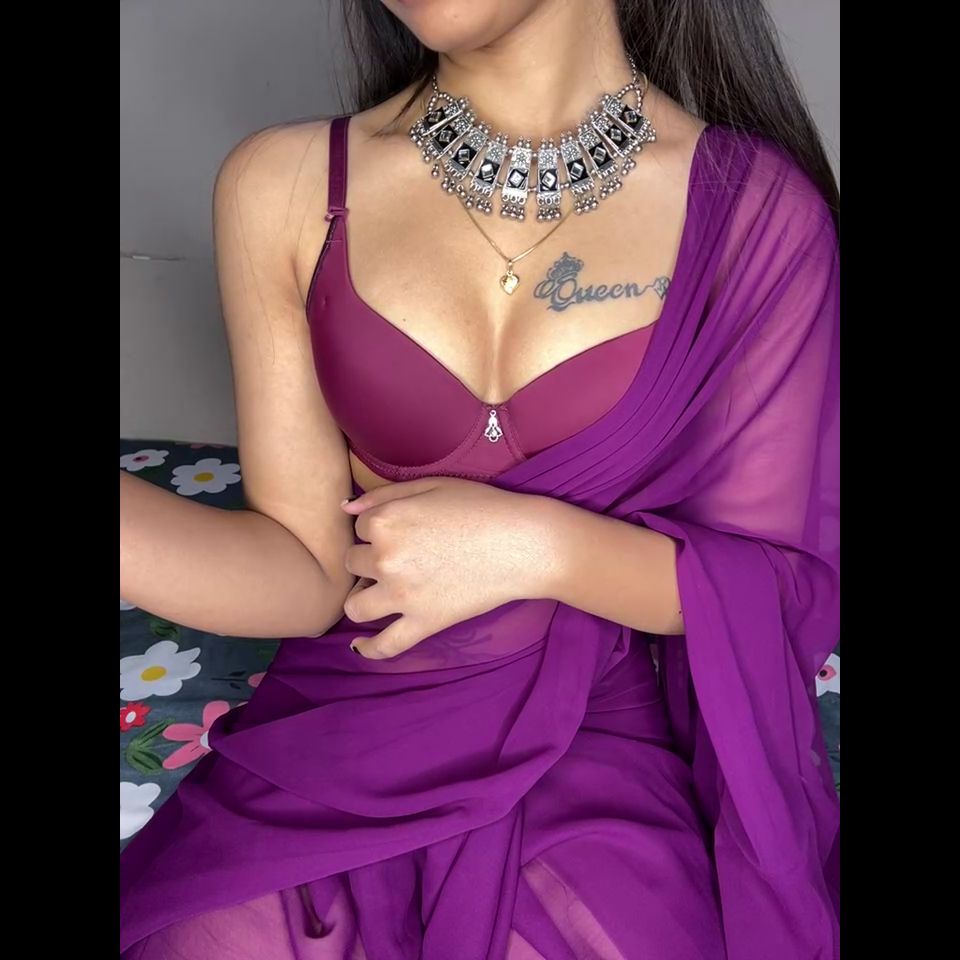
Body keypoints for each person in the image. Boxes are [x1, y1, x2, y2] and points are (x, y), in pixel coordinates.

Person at [119, 0, 840, 957]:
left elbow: (781, 589)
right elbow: (306, 570)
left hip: (594, 748)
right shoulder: (284, 184)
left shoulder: (755, 213)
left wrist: (541, 549)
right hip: (343, 732)